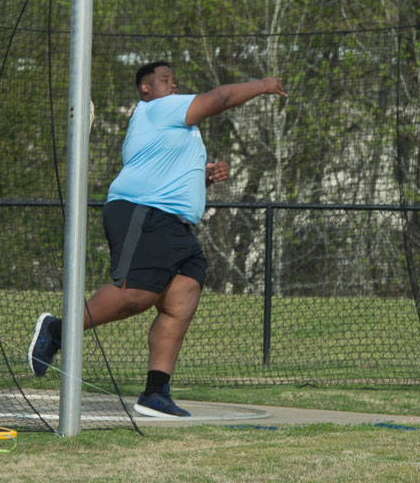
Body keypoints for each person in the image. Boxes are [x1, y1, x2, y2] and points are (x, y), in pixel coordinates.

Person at [30, 61, 287, 416]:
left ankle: (155, 392)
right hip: (142, 211)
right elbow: (221, 97)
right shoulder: (157, 108)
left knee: (180, 301)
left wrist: (205, 177)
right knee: (134, 295)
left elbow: (166, 172)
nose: (173, 85)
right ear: (146, 89)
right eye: (165, 80)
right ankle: (57, 329)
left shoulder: (177, 128)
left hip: (175, 223)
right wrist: (263, 84)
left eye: (174, 80)